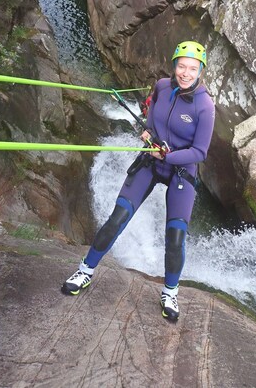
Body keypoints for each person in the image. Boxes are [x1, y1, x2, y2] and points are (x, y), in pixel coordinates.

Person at [61, 41, 215, 321]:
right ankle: (85, 270)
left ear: (201, 71)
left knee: (176, 236)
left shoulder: (205, 106)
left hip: (180, 169)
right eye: (181, 66)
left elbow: (200, 152)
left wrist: (167, 156)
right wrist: (147, 130)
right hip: (151, 160)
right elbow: (152, 110)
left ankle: (170, 292)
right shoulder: (162, 86)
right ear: (174, 66)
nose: (185, 73)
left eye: (193, 68)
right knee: (117, 218)